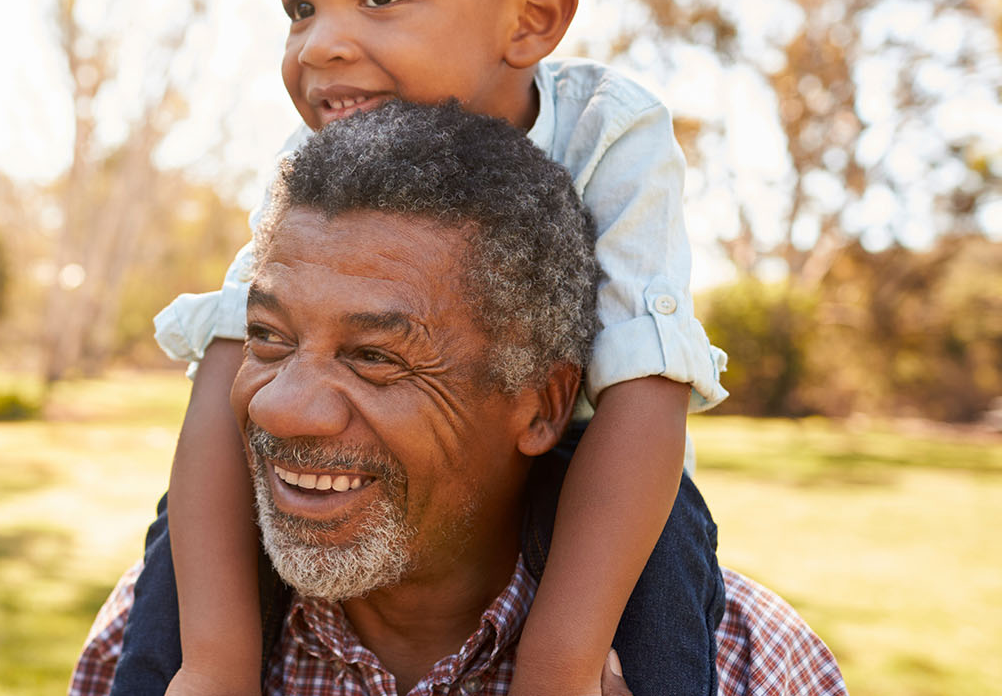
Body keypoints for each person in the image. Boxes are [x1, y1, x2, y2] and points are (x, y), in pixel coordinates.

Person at [115, 0, 732, 696]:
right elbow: (226, 371)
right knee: (191, 523)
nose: (320, 42)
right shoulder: (311, 163)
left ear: (533, 17)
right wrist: (212, 662)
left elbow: (645, 384)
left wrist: (559, 666)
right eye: (299, 6)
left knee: (667, 539)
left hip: (584, 462)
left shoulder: (608, 130)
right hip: (392, 488)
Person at [76, 101, 845, 696]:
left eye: (375, 356)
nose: (282, 408)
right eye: (269, 339)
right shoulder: (152, 644)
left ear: (543, 408)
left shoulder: (748, 665)